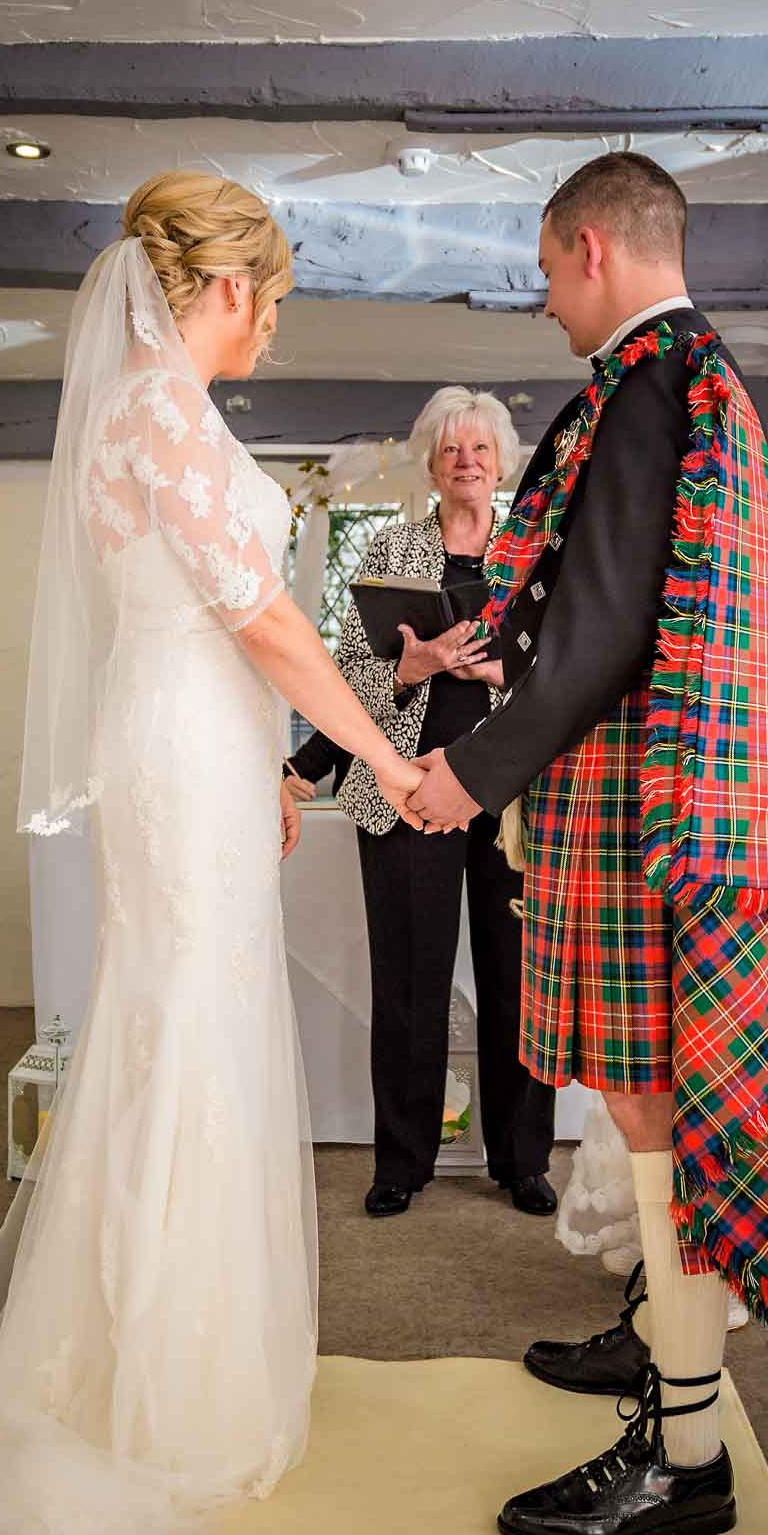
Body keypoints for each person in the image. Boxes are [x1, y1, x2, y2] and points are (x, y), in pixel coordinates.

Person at [0, 172, 426, 1535]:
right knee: (183, 1039)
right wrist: (375, 756)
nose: (275, 327)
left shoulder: (148, 413)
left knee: (186, 1026)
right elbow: (259, 617)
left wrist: (263, 758)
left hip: (189, 743)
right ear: (221, 290)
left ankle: (177, 1362)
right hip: (175, 740)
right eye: (274, 300)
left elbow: (217, 627)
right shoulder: (164, 416)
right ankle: (159, 1396)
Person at [409, 153, 768, 1535]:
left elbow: (606, 632)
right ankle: (665, 1352)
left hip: (649, 818)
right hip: (661, 807)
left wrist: (466, 777)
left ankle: (685, 1452)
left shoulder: (651, 379)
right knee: (642, 1108)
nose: (544, 301)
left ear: (588, 244)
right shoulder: (672, 373)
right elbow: (595, 609)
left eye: (547, 271)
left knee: (660, 1114)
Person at [326, 387, 557, 1219]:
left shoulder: (535, 556)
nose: (467, 461)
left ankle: (522, 1158)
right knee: (410, 984)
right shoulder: (390, 549)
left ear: (502, 464)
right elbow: (340, 684)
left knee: (520, 984)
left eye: (482, 449)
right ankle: (402, 1163)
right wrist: (410, 669)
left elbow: (567, 675)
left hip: (514, 800)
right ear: (430, 464)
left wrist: (499, 673)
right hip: (407, 794)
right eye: (452, 449)